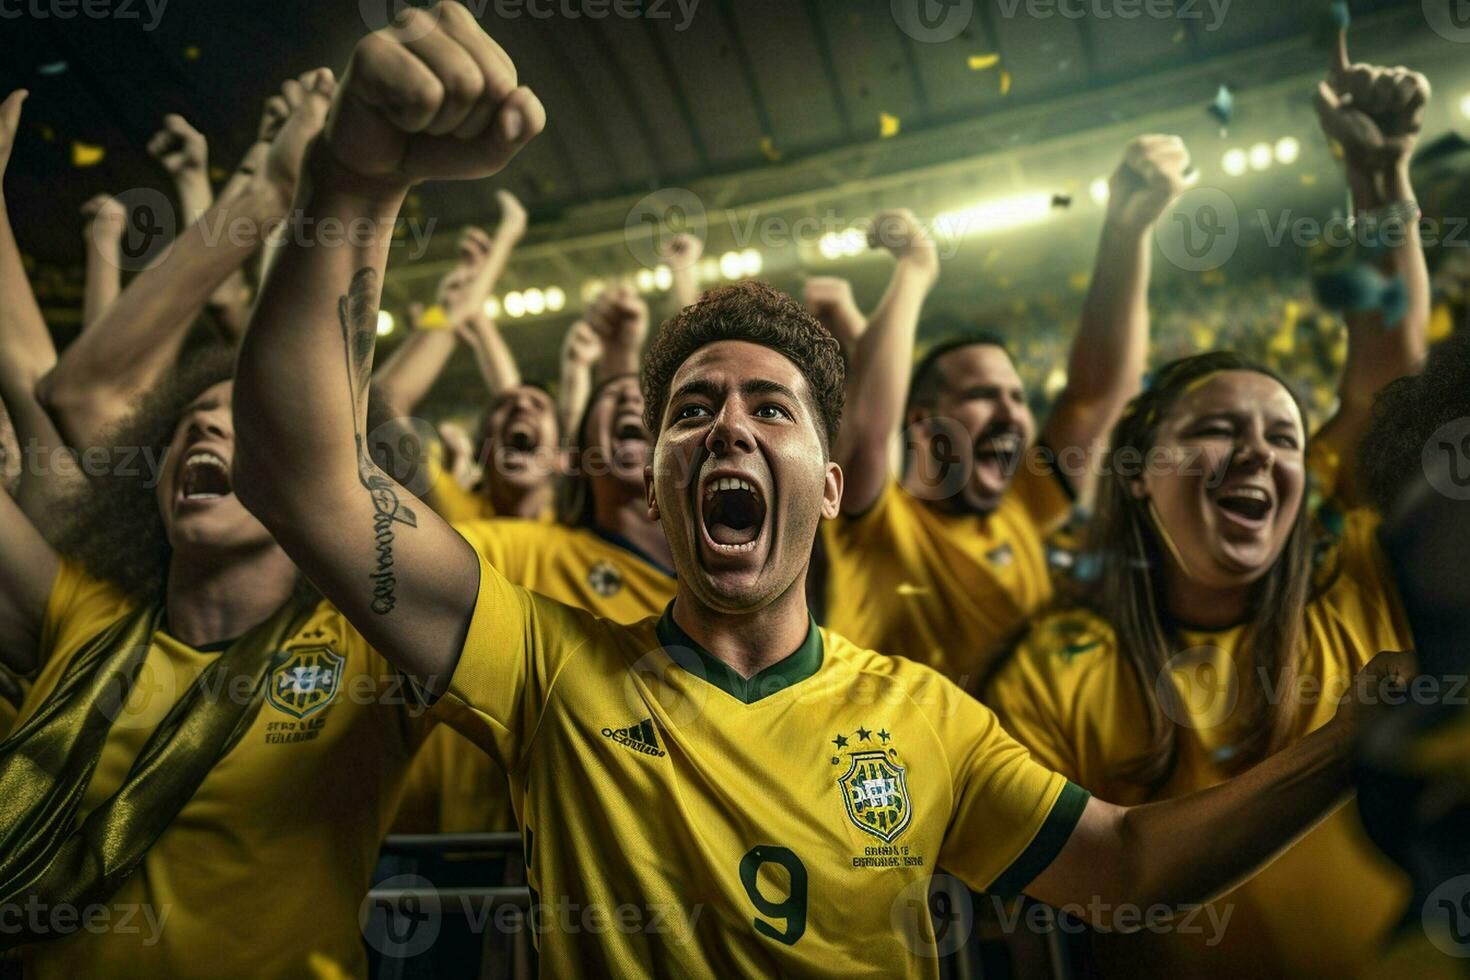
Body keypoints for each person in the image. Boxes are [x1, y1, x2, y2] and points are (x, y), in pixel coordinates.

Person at [231, 8, 1412, 973]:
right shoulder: (546, 663)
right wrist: (359, 175)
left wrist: (1351, 737)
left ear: (835, 479)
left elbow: (1129, 869)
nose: (728, 425)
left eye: (770, 407)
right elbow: (304, 474)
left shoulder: (928, 716)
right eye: (689, 409)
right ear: (655, 471)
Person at [819, 137, 1195, 686]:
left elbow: (1095, 397)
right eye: (982, 395)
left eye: (1018, 397)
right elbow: (867, 429)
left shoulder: (1021, 504)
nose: (1013, 412)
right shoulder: (876, 523)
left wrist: (1125, 230)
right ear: (923, 422)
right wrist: (916, 270)